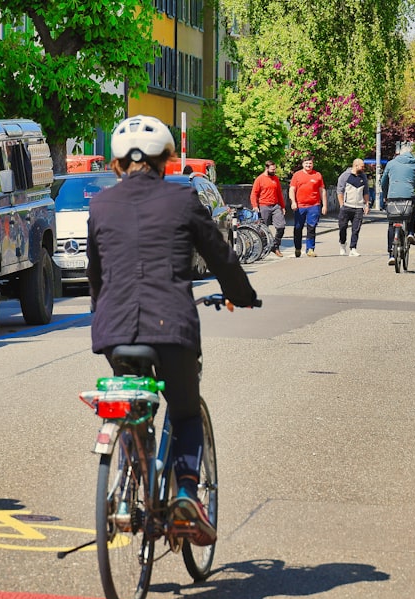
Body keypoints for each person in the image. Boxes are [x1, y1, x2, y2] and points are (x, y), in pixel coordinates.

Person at [86, 115, 257, 546]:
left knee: (132, 403)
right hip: (171, 326)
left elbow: (96, 275)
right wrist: (243, 293)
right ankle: (184, 493)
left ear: (117, 163)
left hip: (114, 330)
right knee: (183, 411)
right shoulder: (183, 202)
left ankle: (125, 492)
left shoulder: (100, 205)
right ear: (167, 159)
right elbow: (221, 257)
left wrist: (101, 315)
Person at [380, 143, 415, 265]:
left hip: (393, 197)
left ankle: (391, 253)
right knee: (412, 212)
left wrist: (385, 196)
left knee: (392, 223)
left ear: (399, 153)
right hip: (408, 196)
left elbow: (384, 182)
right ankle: (411, 233)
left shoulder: (391, 164)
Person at [288, 157, 327, 257]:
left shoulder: (317, 175)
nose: (308, 165)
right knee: (298, 227)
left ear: (313, 164)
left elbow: (322, 191)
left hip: (314, 205)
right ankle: (297, 248)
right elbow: (292, 189)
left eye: (310, 163)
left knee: (311, 227)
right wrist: (293, 202)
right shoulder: (297, 175)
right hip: (300, 206)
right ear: (302, 164)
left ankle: (310, 249)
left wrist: (324, 205)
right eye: (306, 163)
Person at [250, 160, 286, 257]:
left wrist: (282, 206)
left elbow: (279, 193)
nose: (274, 171)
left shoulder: (275, 179)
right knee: (263, 229)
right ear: (266, 168)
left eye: (275, 169)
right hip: (264, 205)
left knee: (281, 226)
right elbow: (254, 194)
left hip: (275, 205)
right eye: (272, 169)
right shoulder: (260, 179)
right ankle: (264, 248)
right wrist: (255, 206)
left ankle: (275, 246)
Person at [335, 158, 370, 256]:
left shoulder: (363, 177)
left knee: (356, 229)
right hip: (346, 206)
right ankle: (342, 244)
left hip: (358, 207)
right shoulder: (345, 176)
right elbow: (340, 191)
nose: (364, 168)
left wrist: (366, 205)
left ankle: (353, 248)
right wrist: (342, 204)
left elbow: (366, 192)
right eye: (362, 166)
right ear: (356, 165)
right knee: (342, 227)